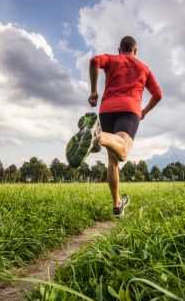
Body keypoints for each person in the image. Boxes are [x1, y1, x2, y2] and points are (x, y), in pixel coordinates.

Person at [66, 36, 162, 216]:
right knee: (123, 150)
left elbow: (94, 61)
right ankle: (98, 136)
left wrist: (94, 92)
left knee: (113, 160)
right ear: (136, 51)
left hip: (106, 110)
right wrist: (144, 112)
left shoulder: (112, 59)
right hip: (129, 109)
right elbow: (158, 94)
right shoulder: (143, 68)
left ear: (119, 49)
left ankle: (117, 204)